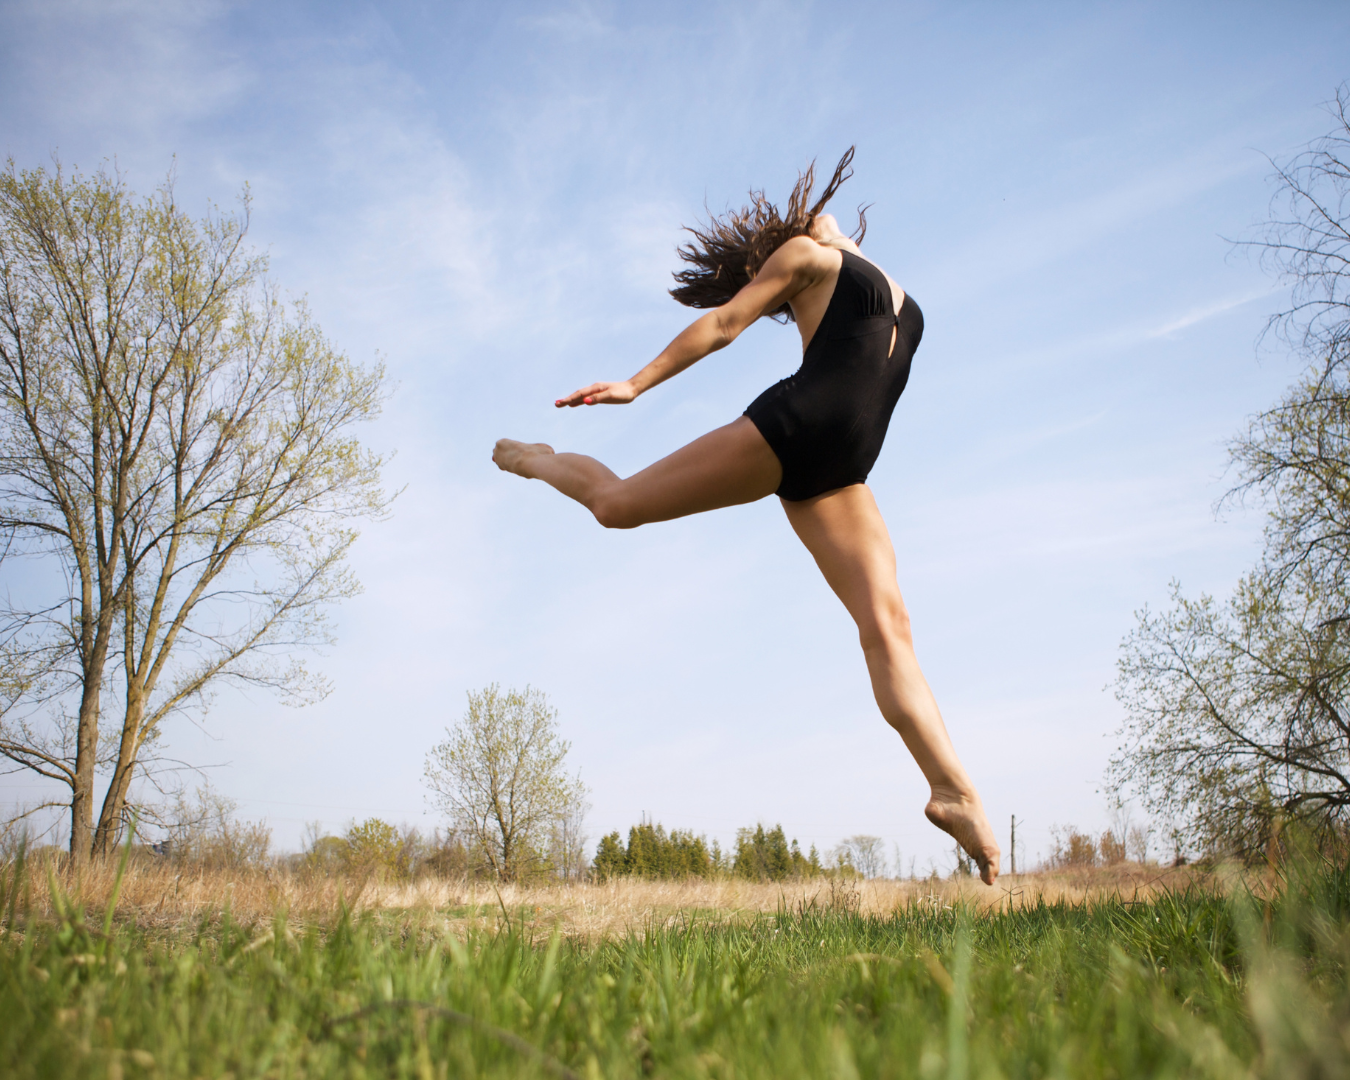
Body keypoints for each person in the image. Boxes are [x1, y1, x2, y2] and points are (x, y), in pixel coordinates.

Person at [493, 149, 1001, 885]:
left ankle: (953, 791)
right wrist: (636, 385)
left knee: (889, 629)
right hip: (794, 426)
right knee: (616, 505)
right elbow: (725, 324)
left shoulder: (853, 263)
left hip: (841, 472)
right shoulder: (810, 259)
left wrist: (836, 235)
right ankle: (539, 457)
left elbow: (840, 240)